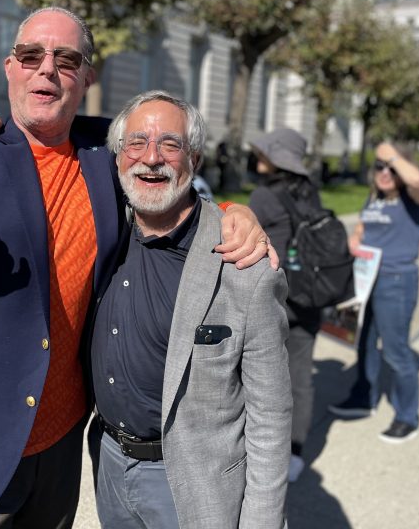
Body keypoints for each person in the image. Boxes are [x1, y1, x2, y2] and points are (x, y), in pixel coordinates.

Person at [0, 7, 273, 527]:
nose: (46, 69)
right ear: (9, 67)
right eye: (31, 55)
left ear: (87, 77)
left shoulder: (106, 153)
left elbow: (167, 173)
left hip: (61, 446)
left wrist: (234, 212)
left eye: (66, 59)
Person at [87, 92, 291, 529]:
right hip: (108, 461)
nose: (152, 158)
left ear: (193, 159)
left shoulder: (245, 266)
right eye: (136, 143)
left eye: (171, 145)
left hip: (191, 485)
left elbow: (270, 417)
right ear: (119, 157)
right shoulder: (104, 232)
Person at [329, 142, 419, 443]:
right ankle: (364, 398)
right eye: (379, 167)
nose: (385, 172)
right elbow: (360, 232)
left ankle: (407, 416)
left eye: (391, 168)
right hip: (366, 278)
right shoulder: (373, 200)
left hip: (396, 280)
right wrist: (354, 243)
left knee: (397, 352)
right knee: (364, 343)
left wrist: (391, 155)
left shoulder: (412, 198)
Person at [247, 127, 323, 483]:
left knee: (261, 379)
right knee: (300, 378)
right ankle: (295, 452)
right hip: (310, 296)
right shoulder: (311, 192)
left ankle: (263, 447)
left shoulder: (263, 197)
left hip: (274, 297)